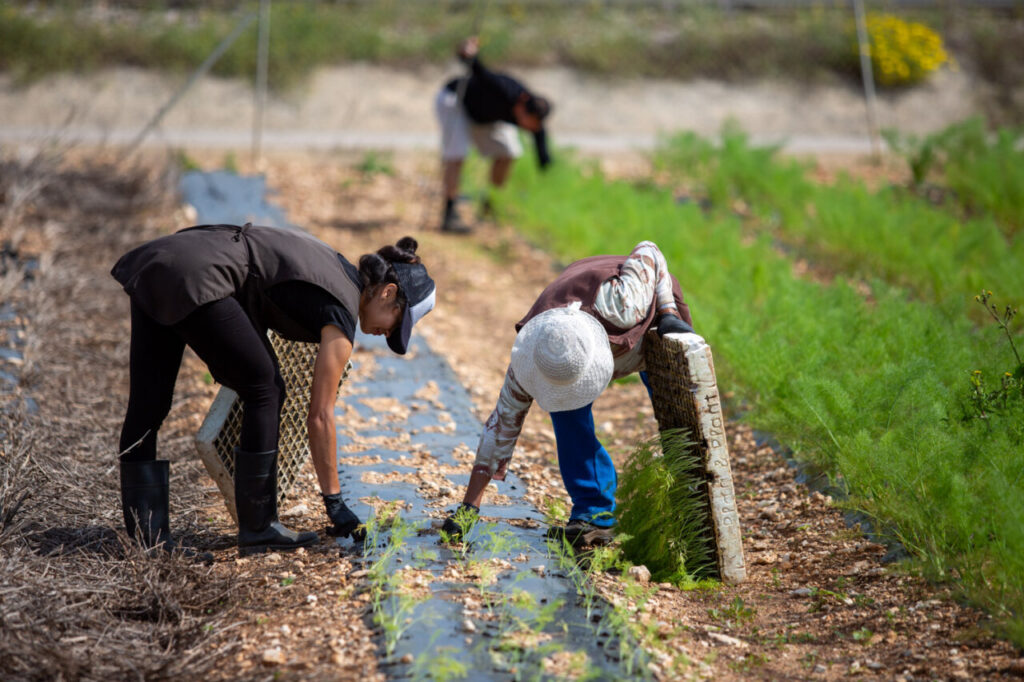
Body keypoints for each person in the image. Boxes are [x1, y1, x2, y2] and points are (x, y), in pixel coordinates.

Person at [111, 224, 435, 556]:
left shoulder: (335, 267)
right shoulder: (341, 309)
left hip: (164, 260)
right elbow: (320, 415)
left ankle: (147, 543)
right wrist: (335, 502)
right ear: (388, 293)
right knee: (265, 387)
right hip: (199, 272)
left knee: (148, 405)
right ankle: (259, 527)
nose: (387, 334)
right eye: (397, 322)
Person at [441, 241, 693, 546]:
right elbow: (499, 429)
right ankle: (594, 514)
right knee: (566, 412)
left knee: (677, 420)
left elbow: (650, 249)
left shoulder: (623, 306)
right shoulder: (536, 356)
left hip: (649, 320)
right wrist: (469, 508)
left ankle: (688, 508)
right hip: (569, 312)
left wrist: (667, 311)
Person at [435, 36, 552, 234]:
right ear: (522, 104)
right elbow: (480, 71)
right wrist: (468, 53)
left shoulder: (532, 116)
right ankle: (449, 213)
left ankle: (489, 202)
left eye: (532, 126)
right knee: (456, 156)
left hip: (484, 118)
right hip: (456, 101)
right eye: (526, 121)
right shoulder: (505, 90)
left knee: (510, 152)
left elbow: (543, 151)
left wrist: (547, 176)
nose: (526, 127)